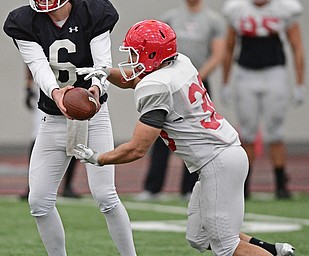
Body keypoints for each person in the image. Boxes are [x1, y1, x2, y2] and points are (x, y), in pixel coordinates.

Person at [75, 19, 295, 256]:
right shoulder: (180, 62)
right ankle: (274, 250)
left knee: (226, 245)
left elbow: (137, 148)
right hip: (222, 155)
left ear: (151, 55)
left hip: (218, 162)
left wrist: (100, 159)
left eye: (135, 54)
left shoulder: (155, 86)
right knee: (199, 237)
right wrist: (107, 73)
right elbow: (136, 76)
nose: (131, 61)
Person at [3, 1, 136, 255]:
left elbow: (102, 64)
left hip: (92, 116)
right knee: (39, 201)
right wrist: (56, 93)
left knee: (106, 197)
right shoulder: (24, 21)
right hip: (52, 117)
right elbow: (38, 67)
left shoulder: (93, 11)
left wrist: (96, 90)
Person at [137, 0, 227, 201]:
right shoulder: (170, 17)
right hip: (170, 81)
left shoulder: (213, 20)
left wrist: (196, 75)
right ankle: (153, 187)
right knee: (161, 131)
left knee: (195, 133)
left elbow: (218, 53)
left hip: (197, 82)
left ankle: (190, 187)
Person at [221, 0, 305, 199]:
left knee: (275, 130)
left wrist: (300, 82)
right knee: (247, 132)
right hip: (245, 73)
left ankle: (280, 183)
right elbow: (229, 46)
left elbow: (297, 46)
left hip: (274, 72)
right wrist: (225, 81)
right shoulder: (236, 9)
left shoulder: (285, 8)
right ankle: (245, 185)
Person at [21, 67, 81, 199]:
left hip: (75, 85)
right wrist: (28, 84)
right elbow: (32, 59)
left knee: (74, 134)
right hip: (47, 87)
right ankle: (32, 185)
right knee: (38, 135)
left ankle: (68, 185)